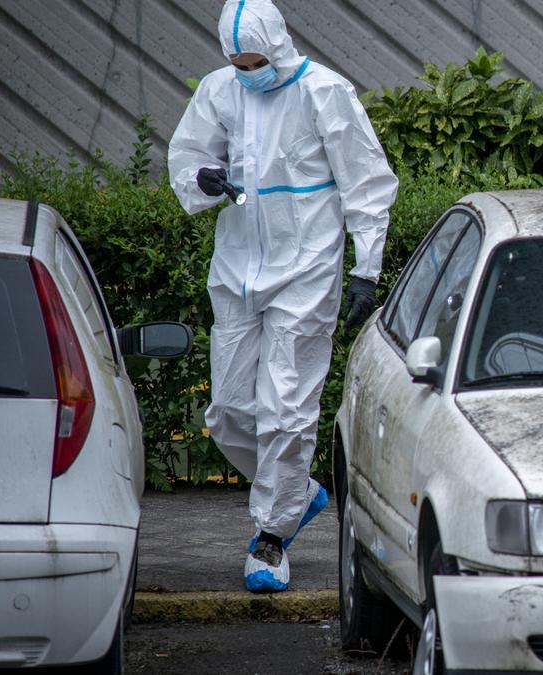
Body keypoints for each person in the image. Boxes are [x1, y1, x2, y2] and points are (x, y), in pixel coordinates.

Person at [168, 0, 398, 593]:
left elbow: (367, 184)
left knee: (287, 407)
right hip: (238, 268)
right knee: (227, 412)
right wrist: (203, 178)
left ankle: (270, 538)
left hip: (307, 269)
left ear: (278, 45)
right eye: (238, 62)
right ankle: (298, 492)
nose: (249, 72)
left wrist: (365, 271)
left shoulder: (325, 92)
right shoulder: (222, 90)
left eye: (256, 60)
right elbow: (187, 156)